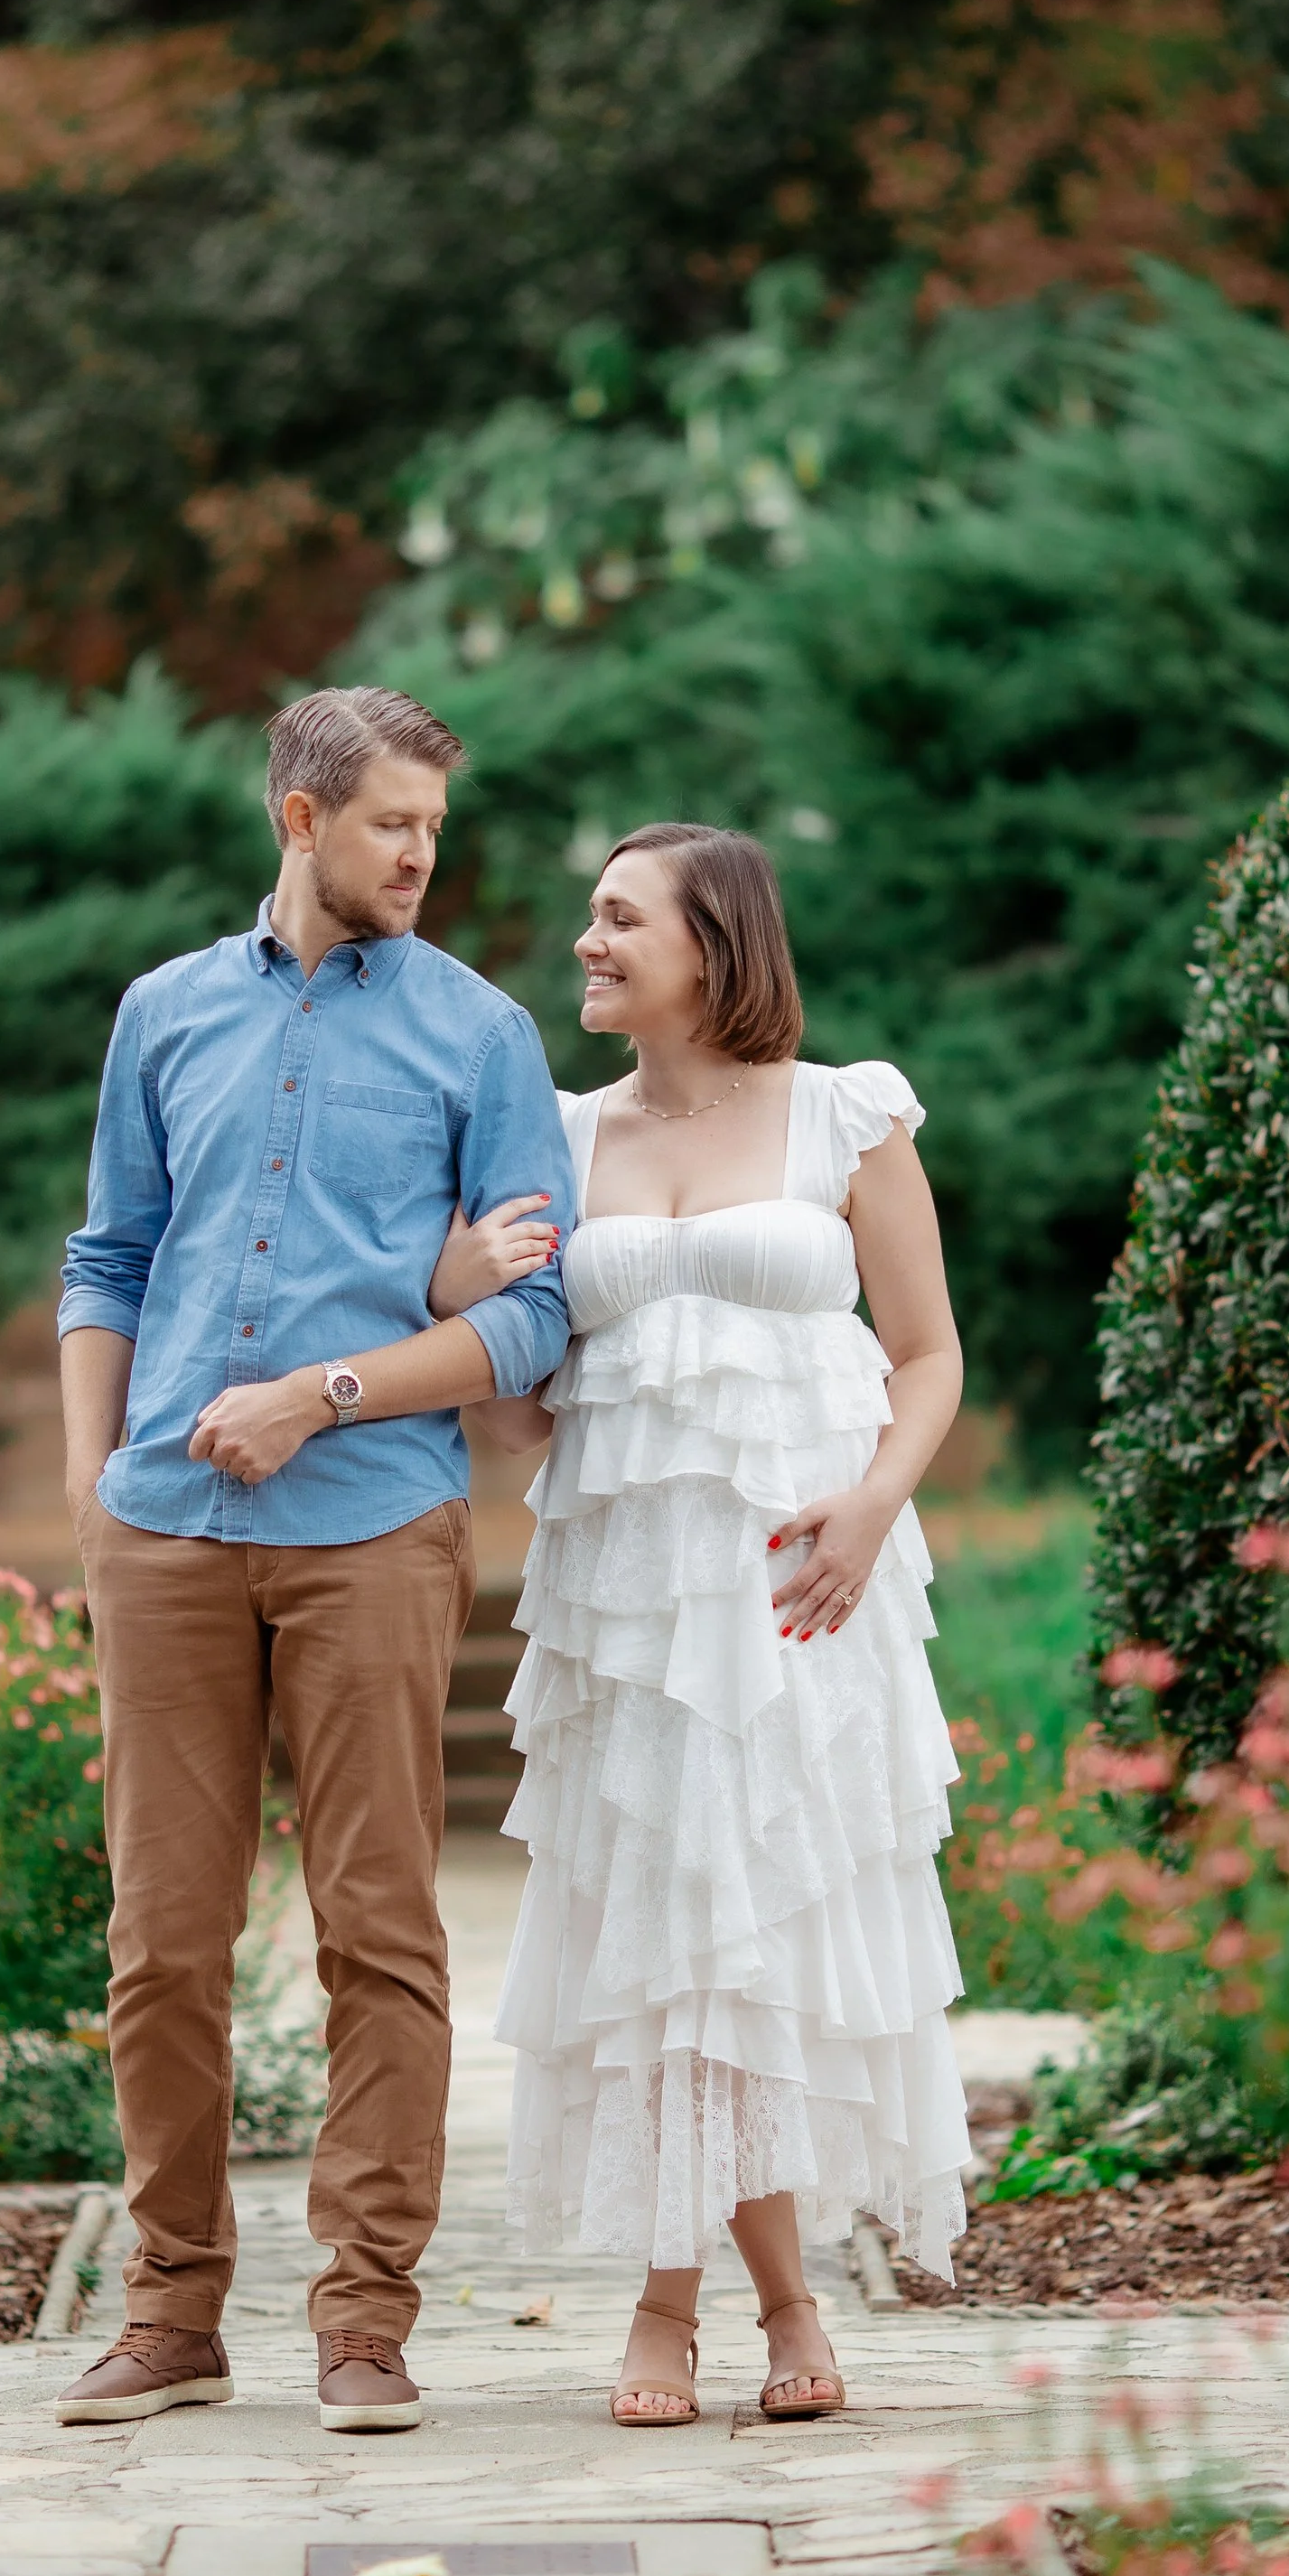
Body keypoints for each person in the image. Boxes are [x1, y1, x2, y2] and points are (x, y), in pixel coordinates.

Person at [53, 686, 575, 2436]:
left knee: (378, 1929)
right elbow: (109, 1255)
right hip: (165, 1536)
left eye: (433, 826)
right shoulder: (163, 1013)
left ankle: (364, 2321)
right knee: (163, 1943)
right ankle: (172, 2310)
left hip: (371, 1526)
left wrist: (318, 1395)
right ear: (299, 817)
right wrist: (92, 1487)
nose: (420, 853)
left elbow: (532, 1316)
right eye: (388, 824)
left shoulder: (478, 1033)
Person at [433, 823, 971, 2424]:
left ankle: (751, 2307)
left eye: (617, 918)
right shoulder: (565, 1134)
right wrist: (460, 1297)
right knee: (666, 1939)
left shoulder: (846, 1113)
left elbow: (930, 1353)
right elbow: (520, 1421)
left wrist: (872, 1510)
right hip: (625, 1605)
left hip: (804, 1589)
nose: (584, 942)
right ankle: (703, 2310)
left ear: (713, 941)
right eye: (591, 916)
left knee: (768, 1936)